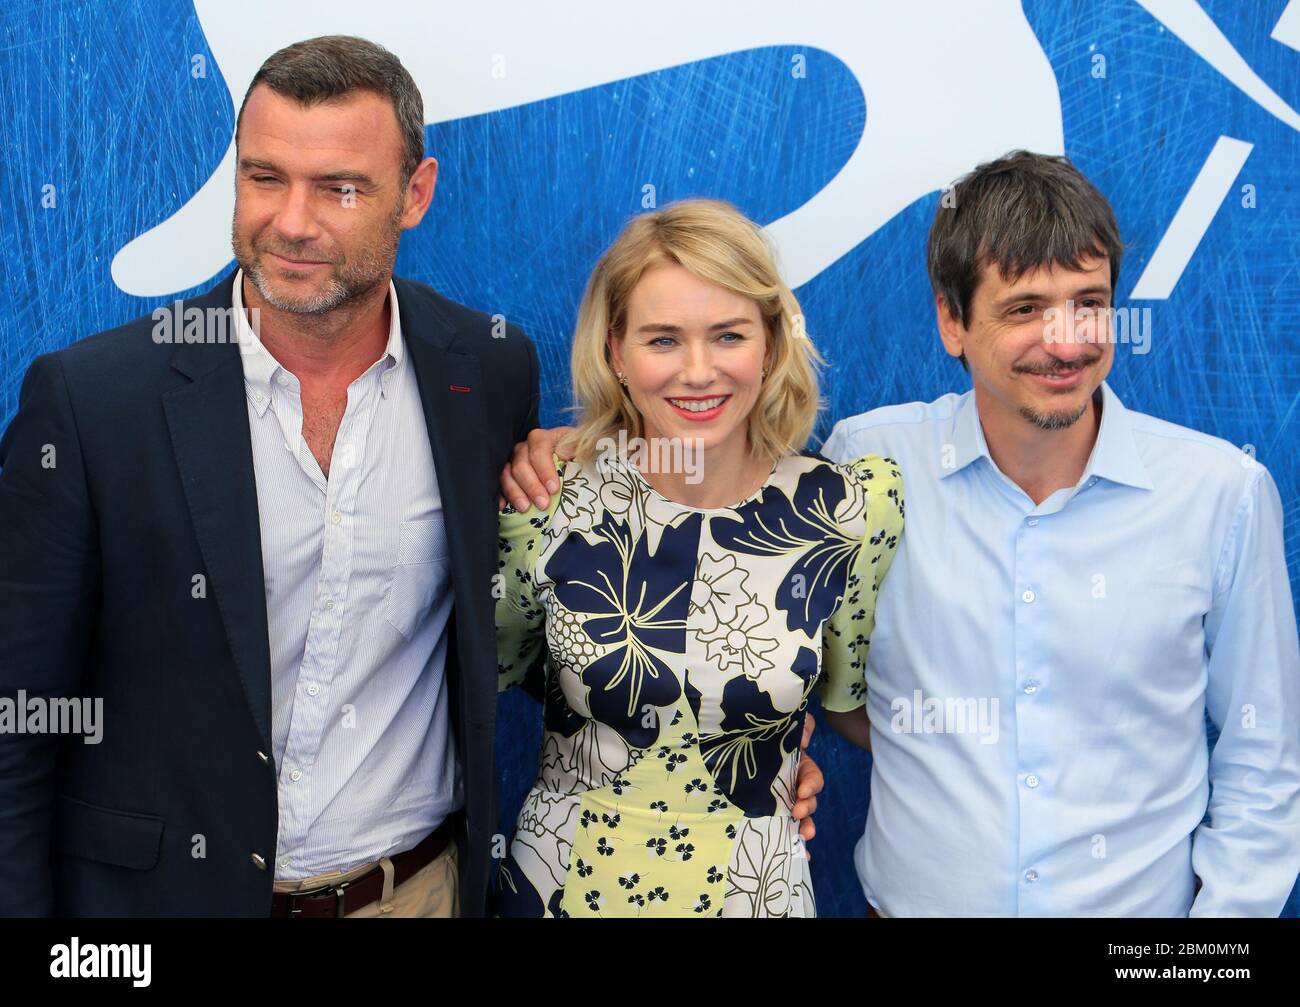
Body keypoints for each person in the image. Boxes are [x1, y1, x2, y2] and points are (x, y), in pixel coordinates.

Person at [504, 151, 1300, 917]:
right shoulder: (870, 465)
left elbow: (1266, 760)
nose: (1064, 340)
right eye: (1024, 309)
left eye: (1087, 302)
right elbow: (776, 644)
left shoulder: (1219, 494)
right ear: (952, 322)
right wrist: (581, 451)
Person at [0, 36, 539, 917]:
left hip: (418, 894)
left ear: (416, 194)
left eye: (340, 187)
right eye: (263, 177)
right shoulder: (93, 402)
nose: (291, 220)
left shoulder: (486, 369)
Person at [491, 198, 902, 917]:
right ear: (615, 350)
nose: (699, 371)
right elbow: (487, 677)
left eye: (728, 335)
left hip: (756, 895)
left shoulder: (850, 511)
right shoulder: (546, 501)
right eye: (662, 340)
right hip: (562, 889)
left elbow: (846, 703)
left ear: (770, 343)